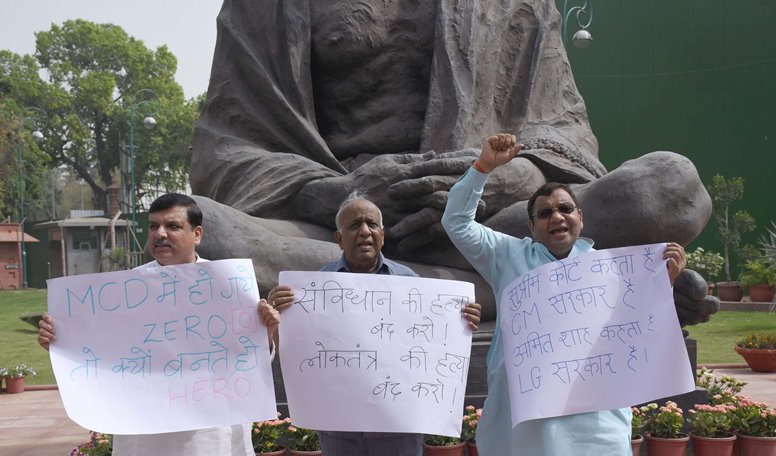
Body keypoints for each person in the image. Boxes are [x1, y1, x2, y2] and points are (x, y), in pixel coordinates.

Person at [188, 0, 713, 325]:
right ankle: (555, 284)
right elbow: (229, 146)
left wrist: (514, 174)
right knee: (201, 227)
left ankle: (382, 288)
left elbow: (564, 130)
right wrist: (336, 192)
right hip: (336, 224)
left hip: (493, 221)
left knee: (668, 185)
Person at [441, 133, 688, 456]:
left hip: (598, 420)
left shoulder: (610, 269)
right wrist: (482, 168)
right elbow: (455, 222)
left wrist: (662, 286)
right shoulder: (508, 256)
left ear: (580, 217)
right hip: (537, 424)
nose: (556, 217)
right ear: (532, 226)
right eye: (544, 213)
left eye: (565, 208)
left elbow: (637, 332)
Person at [37, 193, 279, 456]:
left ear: (197, 234)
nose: (160, 234)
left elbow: (247, 360)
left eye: (172, 226)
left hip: (212, 436)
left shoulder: (228, 286)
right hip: (147, 440)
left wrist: (264, 335)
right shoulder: (121, 292)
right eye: (153, 226)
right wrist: (59, 339)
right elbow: (97, 354)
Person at [267, 191, 482, 456]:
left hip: (397, 426)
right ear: (339, 238)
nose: (364, 231)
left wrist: (462, 320)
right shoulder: (313, 288)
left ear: (383, 233)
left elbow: (435, 341)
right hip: (340, 429)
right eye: (353, 225)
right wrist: (279, 318)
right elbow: (296, 350)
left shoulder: (410, 283)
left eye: (372, 223)